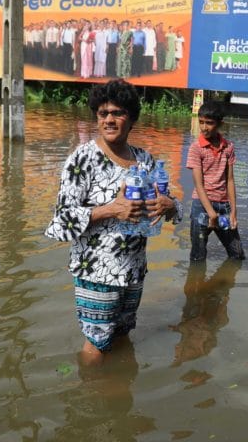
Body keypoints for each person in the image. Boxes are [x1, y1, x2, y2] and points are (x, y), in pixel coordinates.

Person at [44, 79, 182, 366]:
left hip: (134, 270)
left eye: (117, 113)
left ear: (131, 119)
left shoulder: (145, 161)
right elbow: (60, 222)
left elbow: (166, 205)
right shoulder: (83, 160)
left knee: (122, 335)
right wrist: (109, 210)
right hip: (97, 272)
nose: (109, 119)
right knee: (96, 344)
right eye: (103, 113)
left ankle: (118, 388)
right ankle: (88, 388)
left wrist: (170, 205)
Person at [185, 101, 245, 261]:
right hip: (201, 207)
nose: (204, 127)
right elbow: (198, 185)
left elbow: (230, 180)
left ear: (220, 124)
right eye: (201, 122)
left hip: (224, 206)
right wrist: (211, 213)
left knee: (237, 255)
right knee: (198, 257)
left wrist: (234, 211)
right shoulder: (196, 148)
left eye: (209, 123)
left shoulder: (228, 147)